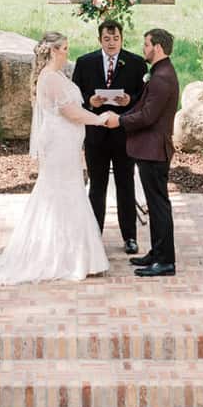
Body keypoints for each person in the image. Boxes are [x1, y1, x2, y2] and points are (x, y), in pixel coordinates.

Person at [0, 31, 118, 287]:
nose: (67, 52)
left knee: (65, 191)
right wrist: (100, 119)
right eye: (64, 48)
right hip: (60, 144)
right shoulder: (51, 78)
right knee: (63, 193)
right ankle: (63, 257)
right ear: (53, 51)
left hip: (65, 144)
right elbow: (71, 113)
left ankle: (70, 254)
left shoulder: (54, 77)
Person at [71, 19, 147, 255]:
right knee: (97, 187)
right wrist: (89, 101)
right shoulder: (85, 63)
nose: (111, 43)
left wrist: (130, 101)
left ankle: (130, 237)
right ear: (99, 40)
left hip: (124, 135)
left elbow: (144, 98)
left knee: (126, 185)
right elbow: (75, 94)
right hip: (96, 136)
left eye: (115, 39)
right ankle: (94, 234)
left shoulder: (135, 63)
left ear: (122, 39)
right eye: (107, 39)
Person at [117, 27, 180, 278]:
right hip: (150, 149)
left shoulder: (162, 77)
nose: (143, 48)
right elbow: (144, 106)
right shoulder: (159, 73)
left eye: (146, 44)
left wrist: (119, 121)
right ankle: (157, 252)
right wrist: (125, 110)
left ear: (158, 48)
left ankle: (165, 261)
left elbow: (148, 116)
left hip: (154, 150)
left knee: (159, 206)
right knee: (155, 206)